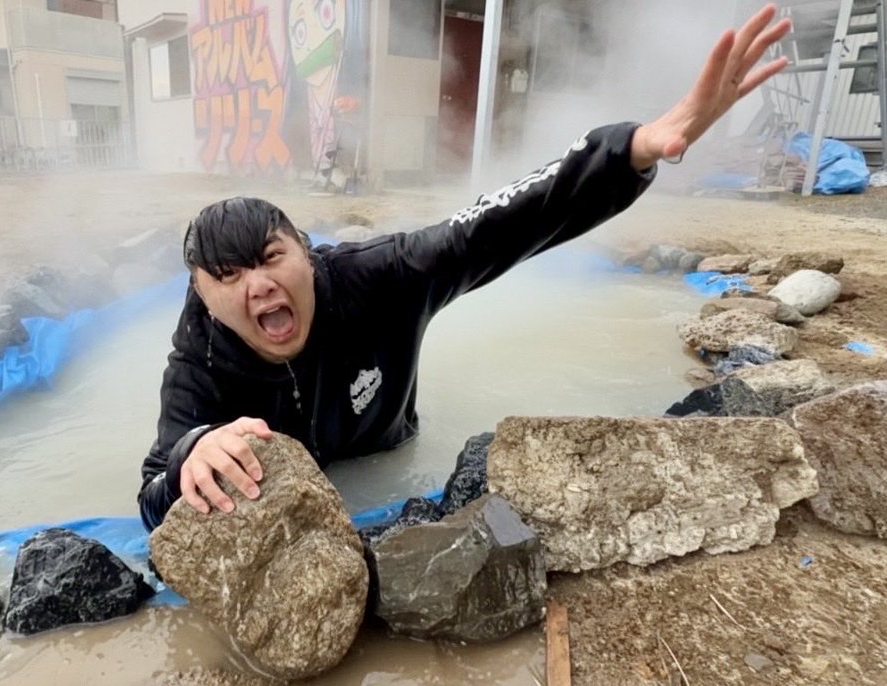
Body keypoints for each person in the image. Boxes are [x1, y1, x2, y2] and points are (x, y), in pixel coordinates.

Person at [138, 5, 792, 531]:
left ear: (306, 254)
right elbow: (154, 489)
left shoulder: (380, 278)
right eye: (227, 277)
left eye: (271, 258)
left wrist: (627, 153)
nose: (256, 286)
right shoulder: (200, 354)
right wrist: (190, 457)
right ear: (199, 292)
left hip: (392, 460)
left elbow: (493, 226)